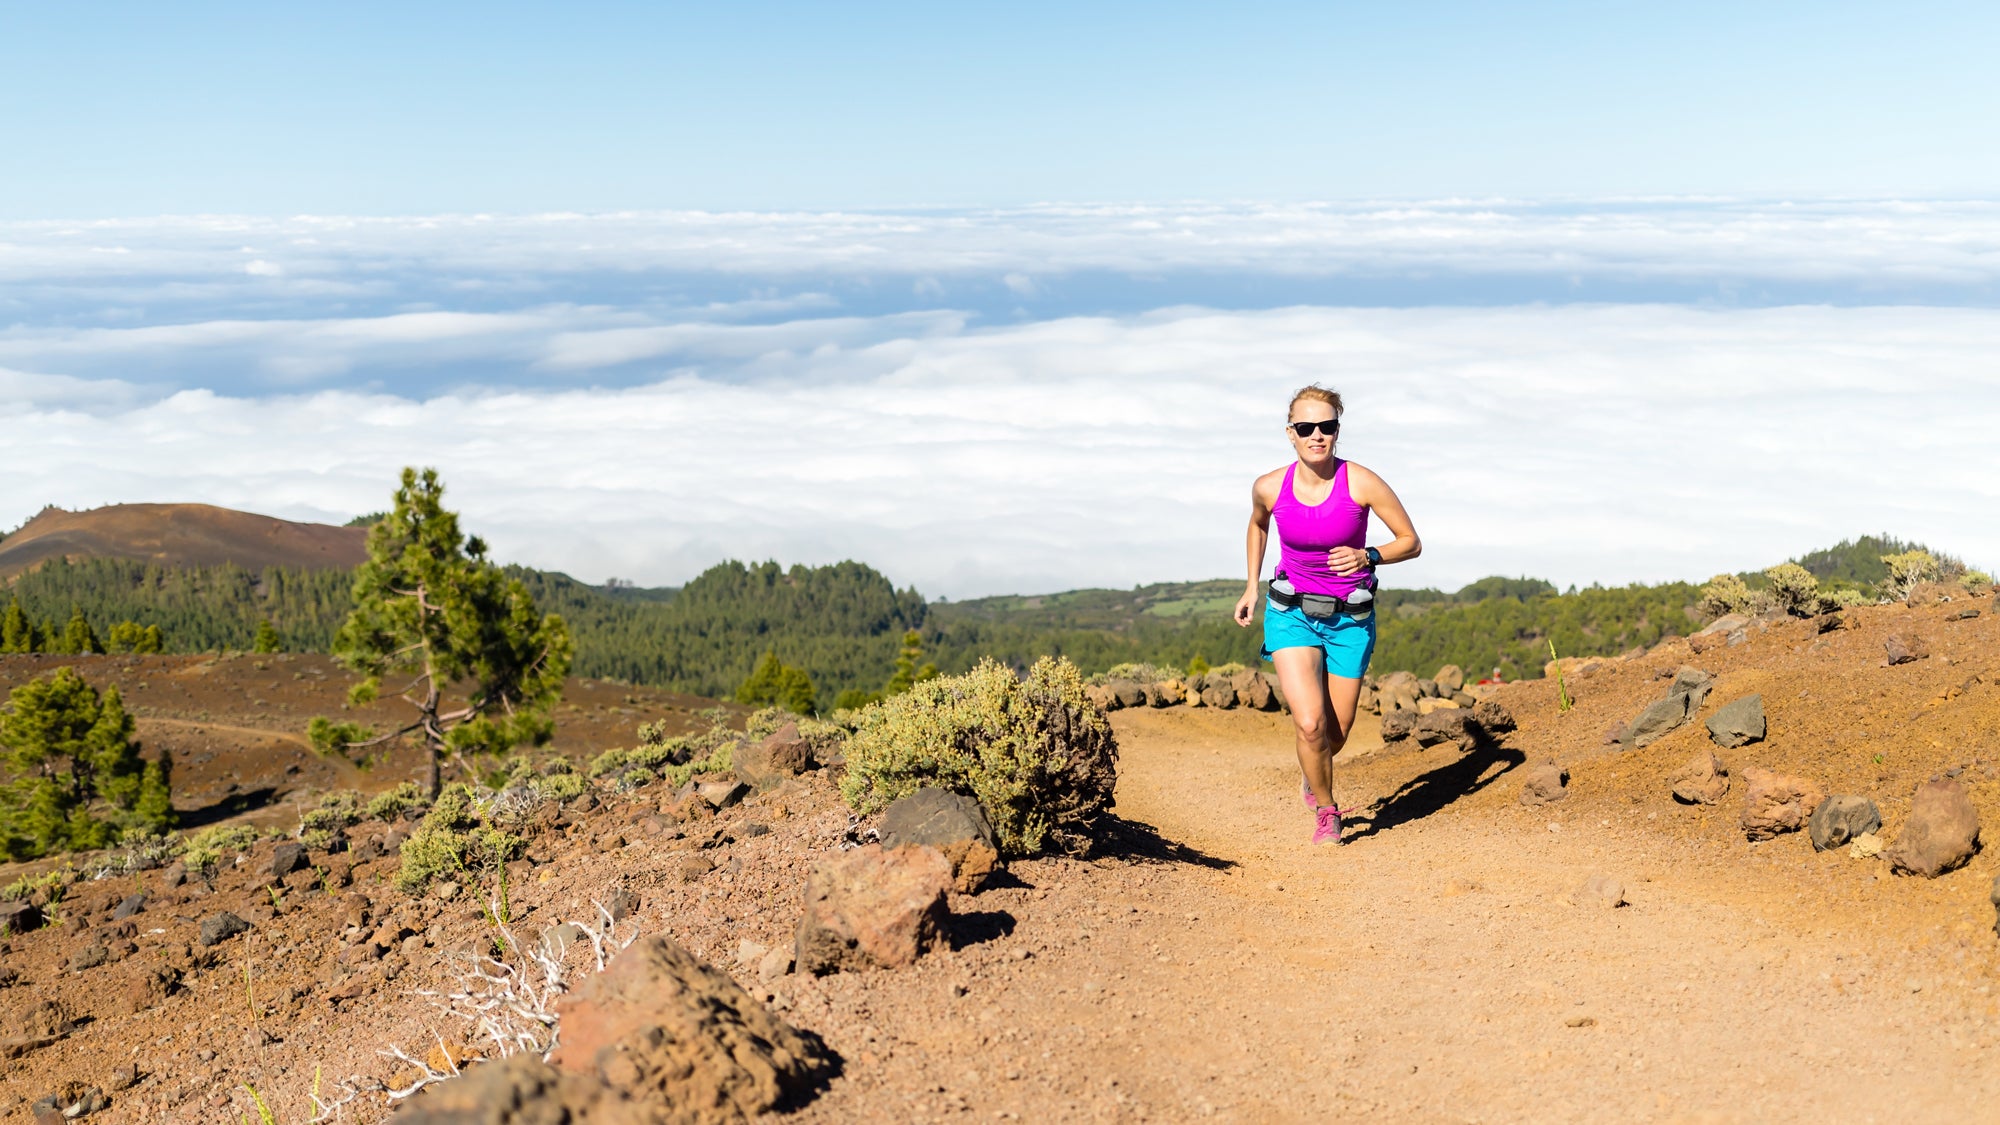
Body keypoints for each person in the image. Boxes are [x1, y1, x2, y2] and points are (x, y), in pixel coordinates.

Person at [1233, 384, 1421, 845]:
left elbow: (1411, 542)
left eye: (1327, 426)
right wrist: (1251, 585)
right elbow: (1258, 525)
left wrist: (1368, 556)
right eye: (1306, 427)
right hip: (1291, 611)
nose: (1317, 435)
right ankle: (1327, 810)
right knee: (1310, 723)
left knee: (1333, 736)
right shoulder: (1269, 486)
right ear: (1290, 433)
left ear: (1337, 430)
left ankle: (1312, 770)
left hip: (1349, 620)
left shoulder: (1361, 482)